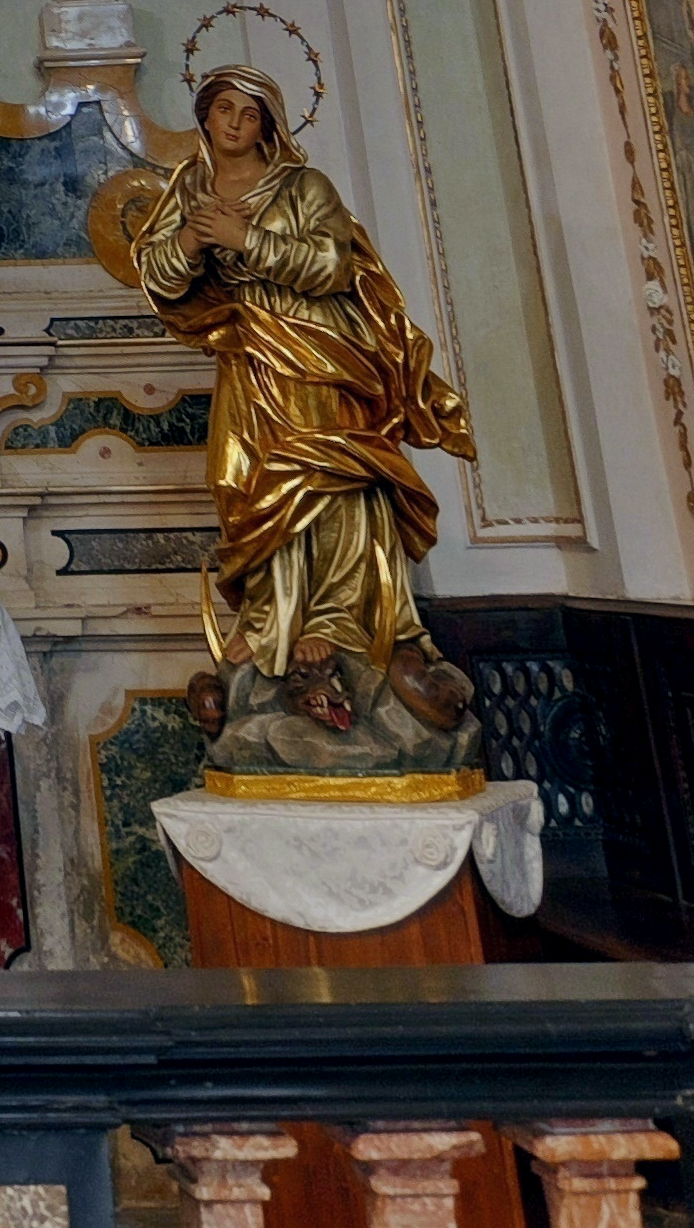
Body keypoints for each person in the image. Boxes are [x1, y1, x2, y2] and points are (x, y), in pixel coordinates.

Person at [123, 67, 479, 744]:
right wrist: (196, 241)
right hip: (251, 355)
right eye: (222, 109)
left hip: (319, 352)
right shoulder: (189, 191)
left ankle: (333, 622)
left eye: (249, 113)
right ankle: (268, 621)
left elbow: (332, 267)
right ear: (204, 118)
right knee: (244, 484)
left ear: (269, 125)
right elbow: (160, 278)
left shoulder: (304, 186)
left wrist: (247, 240)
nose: (233, 122)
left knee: (328, 477)